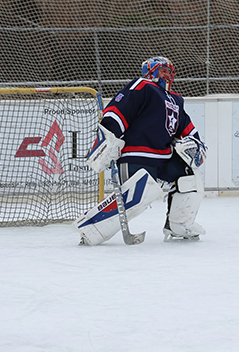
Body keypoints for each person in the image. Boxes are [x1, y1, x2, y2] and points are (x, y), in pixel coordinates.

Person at [80, 56, 207, 244]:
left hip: (164, 159)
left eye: (169, 70)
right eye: (162, 70)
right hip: (137, 156)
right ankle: (90, 229)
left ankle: (179, 225)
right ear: (150, 72)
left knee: (190, 177)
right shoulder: (143, 86)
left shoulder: (176, 100)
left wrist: (196, 144)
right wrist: (109, 138)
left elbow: (189, 131)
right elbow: (117, 111)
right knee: (138, 197)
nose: (167, 74)